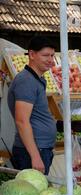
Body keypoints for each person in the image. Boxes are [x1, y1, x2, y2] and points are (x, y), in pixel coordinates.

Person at [8, 36, 57, 175]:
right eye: (45, 55)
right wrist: (35, 156)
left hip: (40, 148)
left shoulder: (37, 79)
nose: (50, 60)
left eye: (52, 55)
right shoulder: (26, 81)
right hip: (32, 151)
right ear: (31, 54)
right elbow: (22, 121)